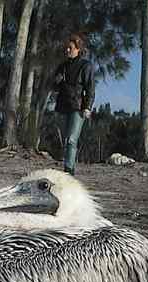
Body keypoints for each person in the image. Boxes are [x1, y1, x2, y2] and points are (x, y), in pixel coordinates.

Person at [52, 32, 95, 176]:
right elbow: (54, 86)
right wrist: (57, 81)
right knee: (65, 140)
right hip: (63, 106)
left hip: (78, 107)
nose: (67, 50)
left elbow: (90, 87)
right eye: (67, 48)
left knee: (71, 139)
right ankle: (67, 166)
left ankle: (69, 171)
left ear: (78, 49)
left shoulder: (85, 65)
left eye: (70, 48)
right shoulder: (62, 66)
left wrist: (88, 107)